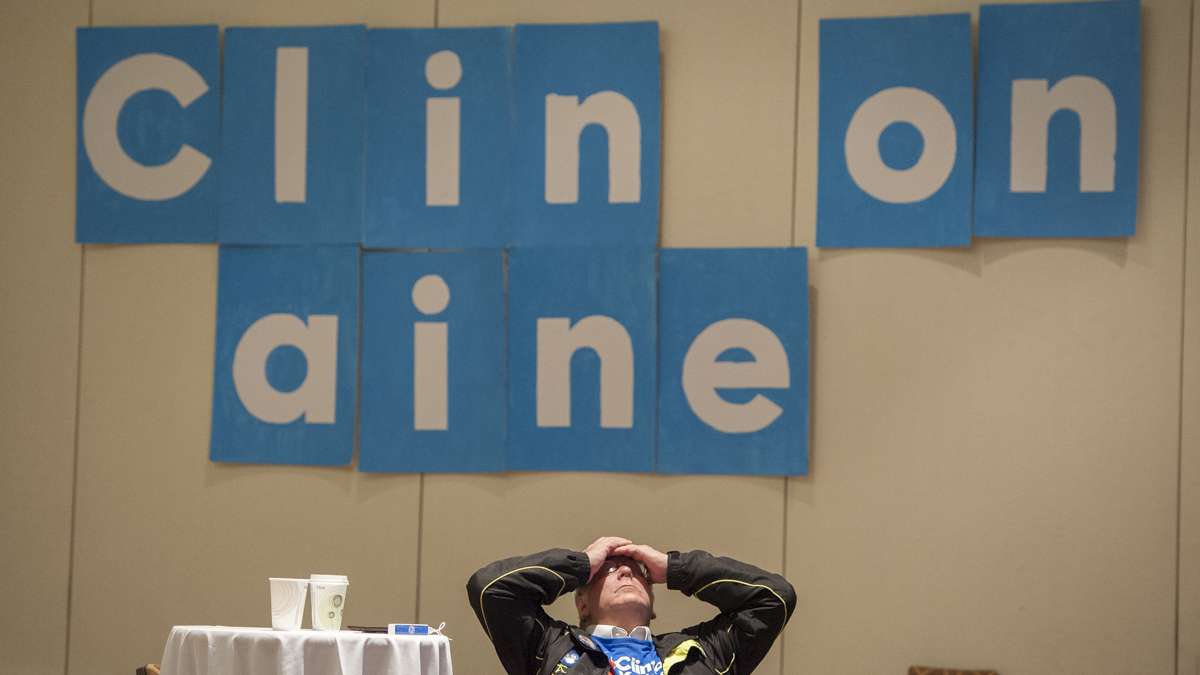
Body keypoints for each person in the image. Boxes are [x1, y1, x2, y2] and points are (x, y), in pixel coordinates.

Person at [466, 536, 796, 675]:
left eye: (639, 573)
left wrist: (674, 569)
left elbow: (774, 597)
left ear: (652, 603)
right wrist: (581, 564)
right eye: (607, 570)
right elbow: (491, 588)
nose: (625, 570)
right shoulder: (547, 646)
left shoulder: (703, 651)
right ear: (581, 603)